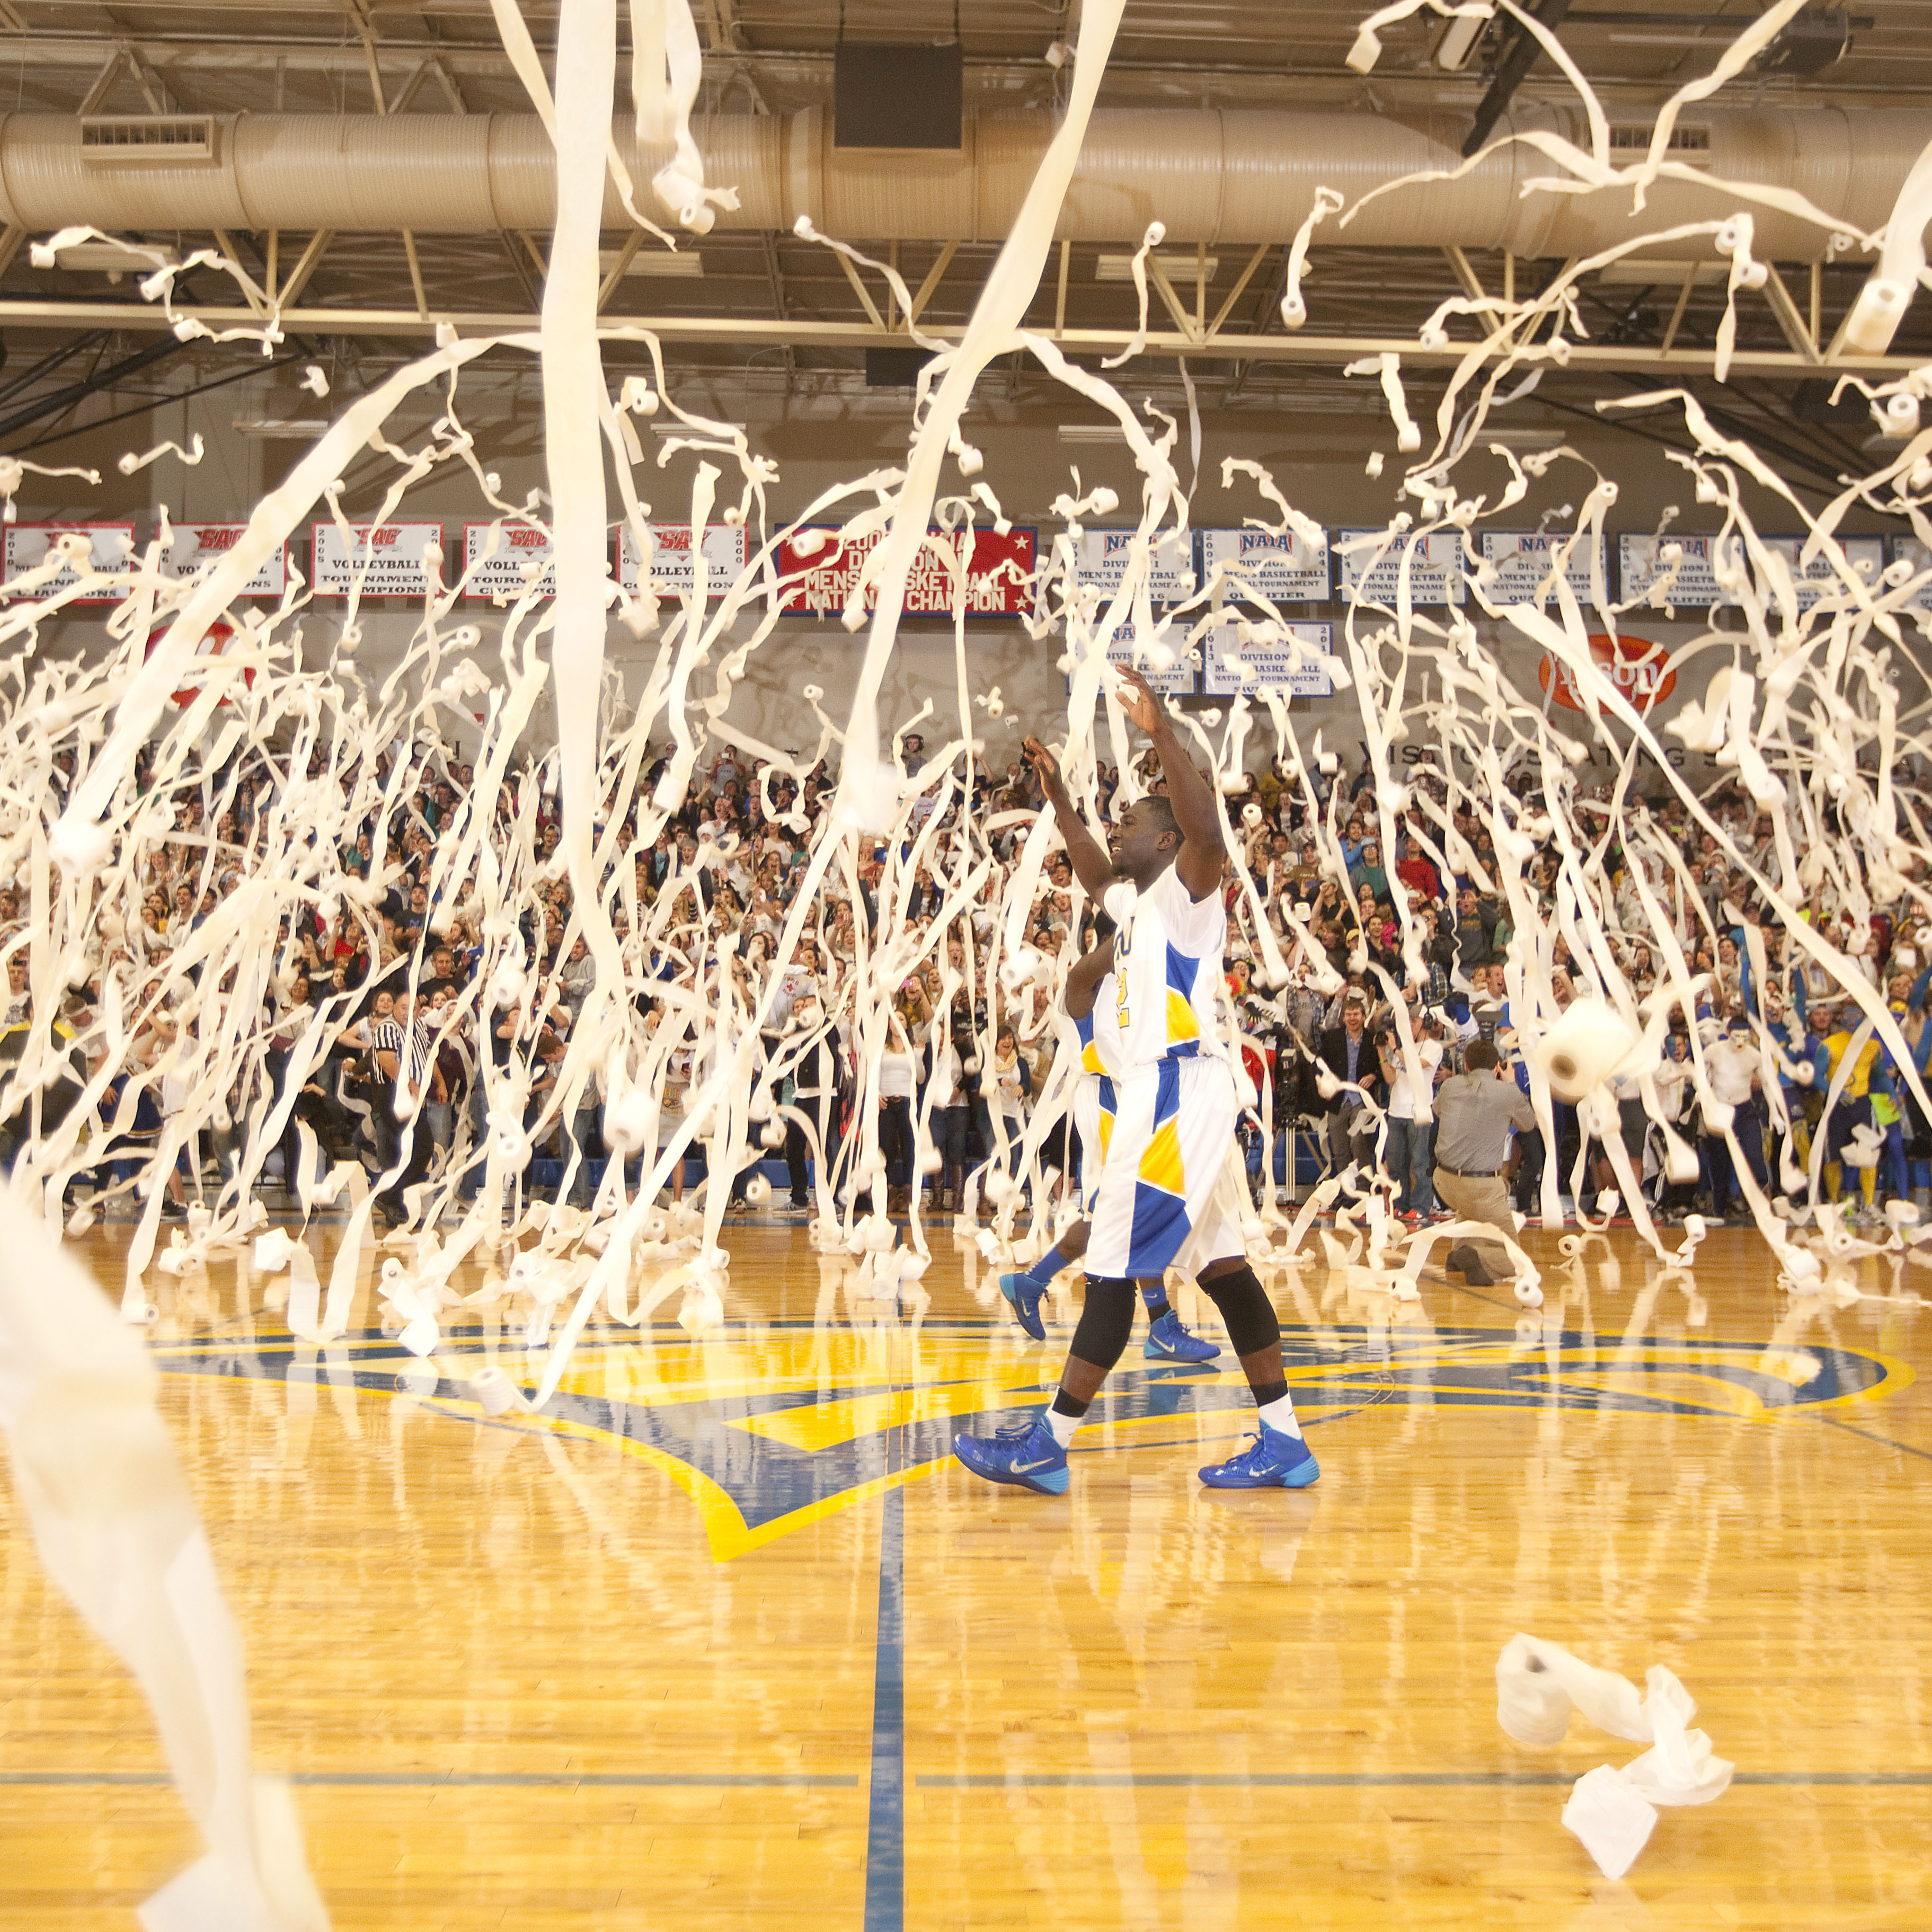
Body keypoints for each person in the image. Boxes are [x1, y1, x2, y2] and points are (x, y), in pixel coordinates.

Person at [954, 667, 1314, 1496]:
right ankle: (1285, 1442)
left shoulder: (1189, 894)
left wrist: (1160, 733)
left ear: (1164, 841)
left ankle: (1047, 1444)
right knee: (1224, 1271)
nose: (1115, 832)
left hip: (1175, 1097)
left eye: (1129, 824)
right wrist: (1057, 800)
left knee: (1112, 1268)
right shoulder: (1135, 906)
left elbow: (1210, 833)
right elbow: (1089, 869)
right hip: (1175, 1097)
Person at [995, 921, 1218, 1364]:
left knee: (1122, 1213)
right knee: (1129, 1210)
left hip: (1125, 1098)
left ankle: (1035, 1284)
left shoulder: (1131, 981)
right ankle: (1160, 1324)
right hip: (1108, 1100)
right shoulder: (1089, 983)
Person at [1430, 1037, 1537, 1287]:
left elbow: (1438, 1110)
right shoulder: (1508, 1092)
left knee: (1469, 1204)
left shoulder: (1450, 1086)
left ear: (1466, 1065)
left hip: (1443, 1181)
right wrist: (1512, 1085)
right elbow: (1529, 1124)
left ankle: (1458, 1256)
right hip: (1481, 1188)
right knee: (1517, 1261)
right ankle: (1478, 1257)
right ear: (1498, 1067)